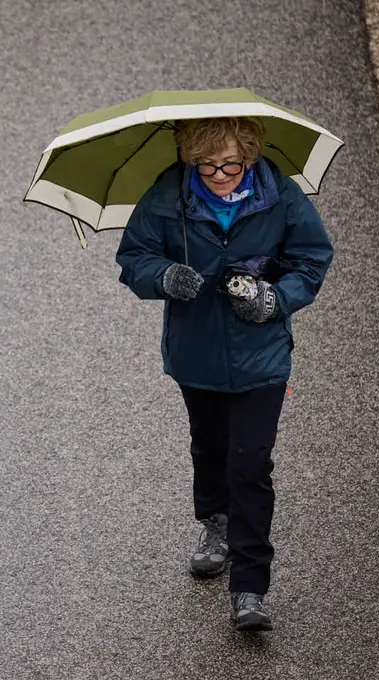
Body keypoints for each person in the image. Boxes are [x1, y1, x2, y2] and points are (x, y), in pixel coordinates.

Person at [114, 116, 332, 632]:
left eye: (230, 164)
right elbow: (134, 257)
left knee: (251, 463)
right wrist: (164, 276)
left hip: (263, 359)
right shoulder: (169, 195)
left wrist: (274, 299)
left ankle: (251, 587)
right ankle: (215, 523)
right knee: (209, 446)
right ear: (191, 158)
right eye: (207, 165)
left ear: (250, 155)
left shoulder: (280, 196)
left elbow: (312, 259)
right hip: (197, 355)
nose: (218, 174)